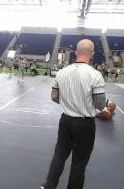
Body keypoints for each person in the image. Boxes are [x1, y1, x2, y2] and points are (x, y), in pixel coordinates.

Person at [41, 39, 108, 189]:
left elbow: (54, 97)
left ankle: (48, 186)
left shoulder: (62, 72)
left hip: (65, 121)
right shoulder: (96, 75)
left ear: (76, 52)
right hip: (85, 125)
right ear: (92, 54)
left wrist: (69, 103)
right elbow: (100, 105)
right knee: (79, 162)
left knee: (59, 155)